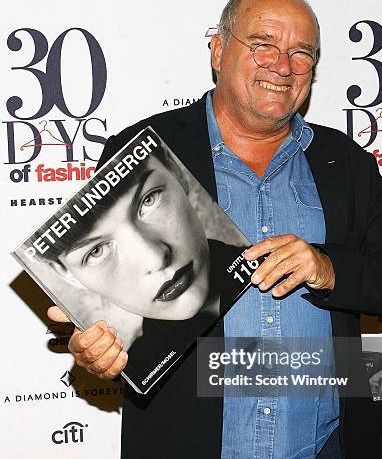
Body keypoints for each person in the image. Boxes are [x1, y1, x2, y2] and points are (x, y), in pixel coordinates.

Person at [48, 0, 382, 459]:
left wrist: (328, 267)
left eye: (303, 53)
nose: (284, 65)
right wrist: (93, 343)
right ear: (218, 49)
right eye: (264, 43)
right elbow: (105, 306)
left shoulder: (344, 162)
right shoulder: (147, 153)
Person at [26, 131, 247, 389]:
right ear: (66, 273)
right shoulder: (137, 368)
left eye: (149, 199)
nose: (155, 258)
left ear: (176, 172)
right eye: (96, 251)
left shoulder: (284, 269)